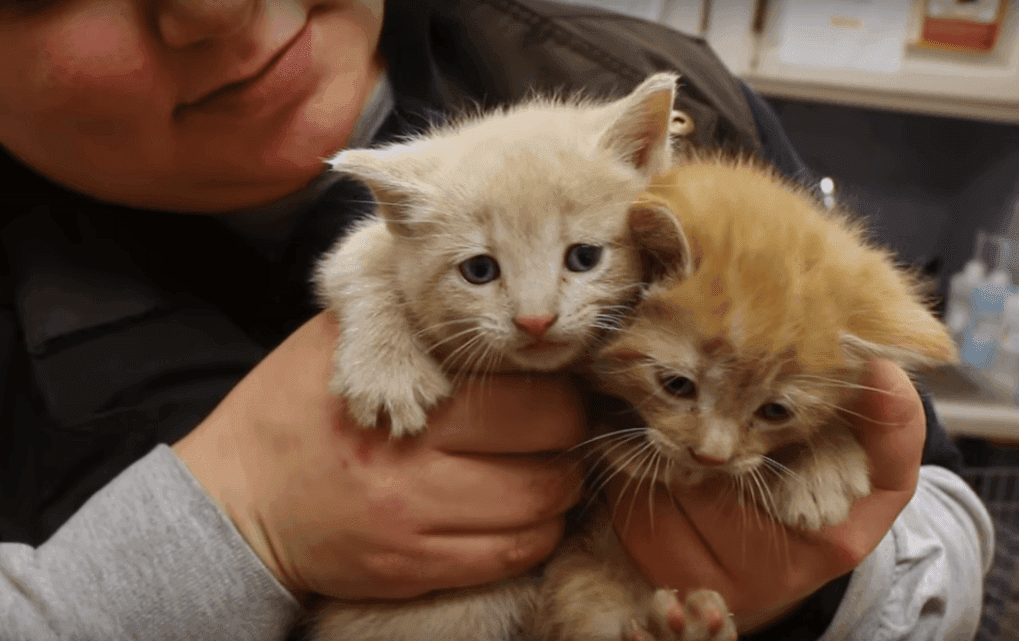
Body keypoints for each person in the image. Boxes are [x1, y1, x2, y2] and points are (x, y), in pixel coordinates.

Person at [0, 0, 993, 639]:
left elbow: (947, 523)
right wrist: (226, 525)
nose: (214, 8)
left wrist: (827, 589)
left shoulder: (656, 90)